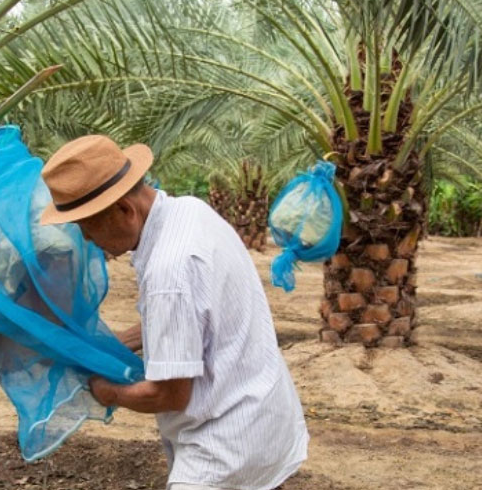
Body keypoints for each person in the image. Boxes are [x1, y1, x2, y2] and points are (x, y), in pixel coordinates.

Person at [39, 135, 309, 490]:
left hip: (225, 445)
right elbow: (190, 319)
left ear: (124, 210)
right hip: (266, 417)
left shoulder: (170, 269)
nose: (86, 239)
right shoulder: (189, 211)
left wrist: (104, 391)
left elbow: (167, 395)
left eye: (86, 225)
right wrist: (112, 345)